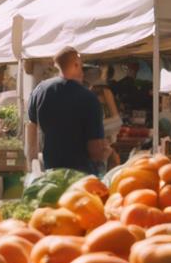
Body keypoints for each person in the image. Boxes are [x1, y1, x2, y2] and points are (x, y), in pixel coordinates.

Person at [27, 46, 111, 175]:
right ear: (76, 65)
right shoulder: (88, 98)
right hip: (80, 176)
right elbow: (95, 150)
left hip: (51, 173)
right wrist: (105, 153)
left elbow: (31, 132)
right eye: (81, 67)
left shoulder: (39, 90)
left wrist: (32, 167)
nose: (83, 72)